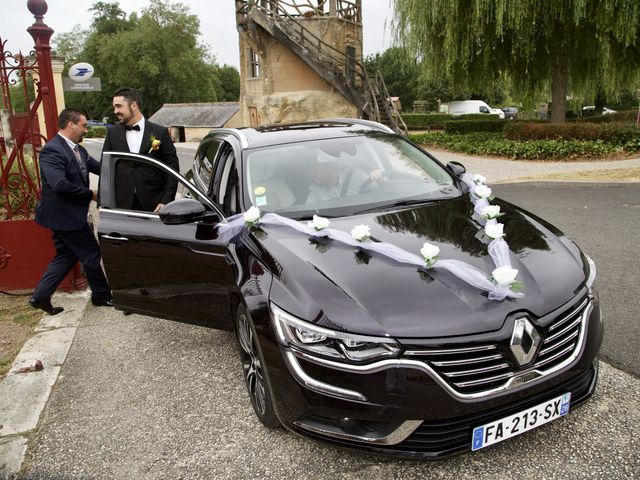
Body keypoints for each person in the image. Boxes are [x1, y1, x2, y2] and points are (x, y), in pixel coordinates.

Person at [29, 108, 112, 315]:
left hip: (67, 215)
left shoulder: (79, 150)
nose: (86, 129)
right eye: (83, 125)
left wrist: (124, 169)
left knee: (66, 256)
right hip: (64, 216)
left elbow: (100, 167)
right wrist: (91, 194)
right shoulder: (52, 150)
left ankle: (40, 297)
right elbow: (59, 184)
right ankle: (102, 295)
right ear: (70, 124)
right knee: (91, 253)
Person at [102, 87, 179, 212]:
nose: (115, 111)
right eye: (114, 107)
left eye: (119, 106)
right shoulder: (112, 134)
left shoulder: (160, 132)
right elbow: (105, 168)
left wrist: (166, 200)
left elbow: (172, 167)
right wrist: (104, 203)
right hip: (121, 203)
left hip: (154, 204)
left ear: (133, 105)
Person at [306, 152, 386, 203]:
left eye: (316, 170)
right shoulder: (315, 192)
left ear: (330, 170)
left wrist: (379, 177)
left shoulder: (356, 177)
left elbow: (383, 189)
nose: (312, 175)